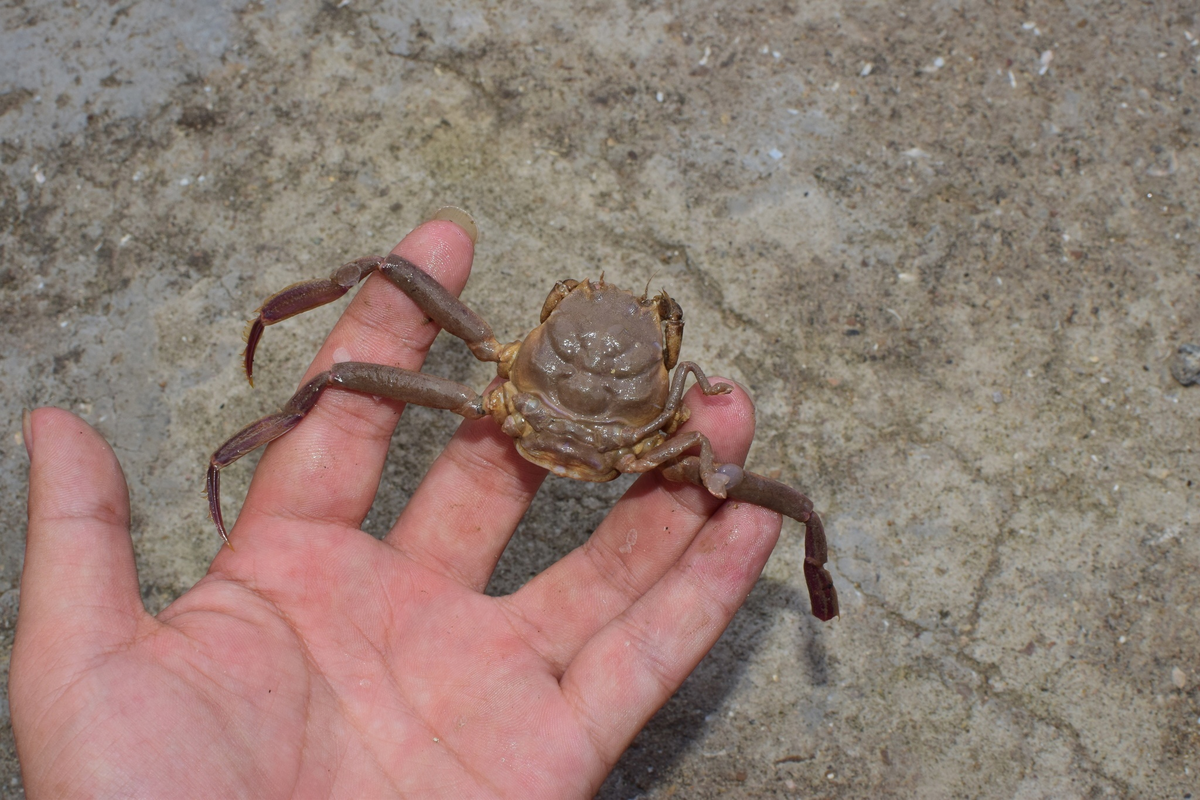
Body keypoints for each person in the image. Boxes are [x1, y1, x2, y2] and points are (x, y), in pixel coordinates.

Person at [10, 215, 786, 798]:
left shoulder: (510, 360)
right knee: (735, 475)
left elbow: (374, 315)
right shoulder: (664, 398)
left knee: (349, 360)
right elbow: (692, 428)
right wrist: (709, 414)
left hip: (512, 410)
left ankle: (247, 429)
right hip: (632, 448)